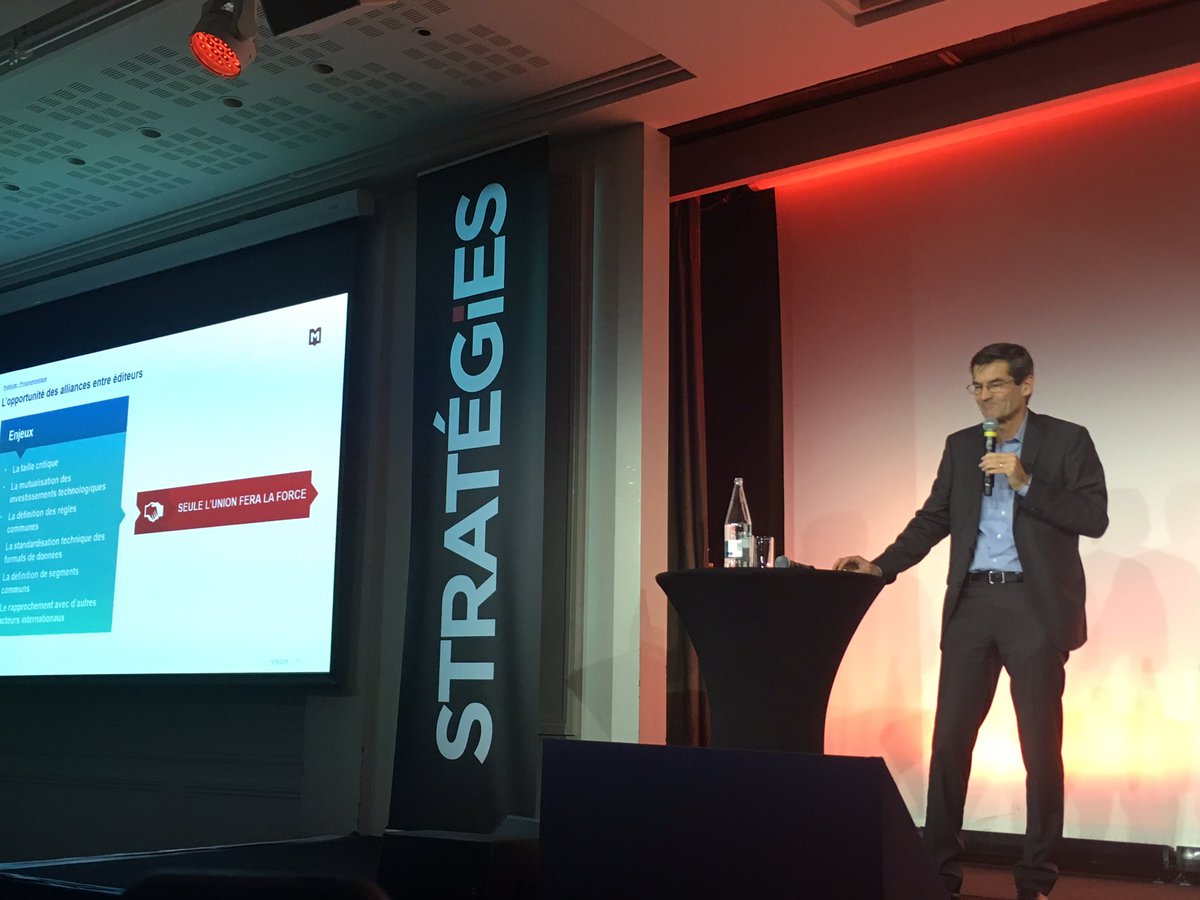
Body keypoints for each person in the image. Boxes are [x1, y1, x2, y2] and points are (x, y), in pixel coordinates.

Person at [834, 343, 1107, 900]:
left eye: (996, 385)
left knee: (1039, 747)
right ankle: (938, 873)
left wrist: (1027, 482)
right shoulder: (962, 445)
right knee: (950, 742)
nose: (984, 396)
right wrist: (881, 565)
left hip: (1034, 606)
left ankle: (1036, 877)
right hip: (972, 605)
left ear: (1026, 385)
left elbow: (1093, 516)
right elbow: (934, 517)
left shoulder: (1067, 440)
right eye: (977, 387)